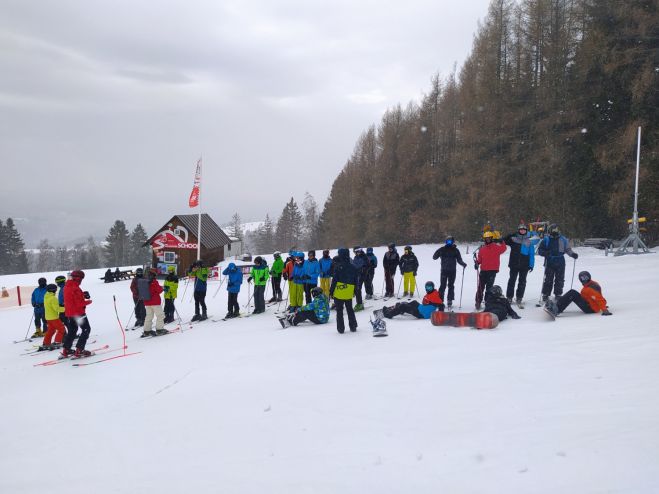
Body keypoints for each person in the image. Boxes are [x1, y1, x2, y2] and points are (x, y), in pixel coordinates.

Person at [537, 224, 578, 302]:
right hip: (550, 261)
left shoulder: (563, 239)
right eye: (553, 230)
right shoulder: (546, 240)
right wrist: (546, 253)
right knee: (548, 279)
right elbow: (540, 250)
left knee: (560, 279)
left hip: (560, 261)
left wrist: (572, 254)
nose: (554, 232)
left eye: (556, 230)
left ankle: (558, 294)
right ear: (550, 231)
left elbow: (568, 249)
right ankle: (545, 294)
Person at [544, 271, 612, 317]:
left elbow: (599, 298)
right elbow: (599, 295)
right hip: (589, 304)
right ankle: (557, 305)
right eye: (582, 278)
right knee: (572, 294)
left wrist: (604, 310)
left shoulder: (590, 289)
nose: (583, 279)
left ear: (589, 277)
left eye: (585, 277)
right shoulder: (592, 284)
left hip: (591, 309)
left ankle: (557, 309)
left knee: (572, 293)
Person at [504, 224, 540, 307]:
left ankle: (519, 297)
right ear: (518, 230)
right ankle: (509, 297)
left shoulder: (529, 241)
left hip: (524, 265)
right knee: (511, 281)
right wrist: (509, 235)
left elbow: (531, 254)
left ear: (526, 231)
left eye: (524, 230)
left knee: (522, 282)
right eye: (521, 230)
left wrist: (531, 265)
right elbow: (504, 241)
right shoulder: (514, 239)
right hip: (514, 264)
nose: (522, 231)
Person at [61, 270, 93, 358]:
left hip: (69, 313)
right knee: (86, 329)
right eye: (81, 279)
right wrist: (89, 301)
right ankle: (80, 349)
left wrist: (82, 294)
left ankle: (66, 350)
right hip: (78, 313)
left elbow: (72, 297)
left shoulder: (67, 286)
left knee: (72, 331)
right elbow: (79, 303)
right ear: (78, 278)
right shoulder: (75, 287)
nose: (81, 281)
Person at [374, 281, 444, 320]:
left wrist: (442, 314)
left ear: (433, 287)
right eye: (427, 287)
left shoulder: (435, 295)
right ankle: (400, 309)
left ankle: (389, 314)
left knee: (403, 306)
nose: (428, 289)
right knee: (414, 302)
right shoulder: (430, 293)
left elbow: (440, 304)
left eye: (430, 287)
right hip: (421, 308)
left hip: (422, 314)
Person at [432, 236, 467, 310]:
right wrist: (438, 252)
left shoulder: (455, 250)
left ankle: (450, 300)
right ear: (445, 242)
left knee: (451, 285)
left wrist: (463, 264)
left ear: (452, 242)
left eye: (450, 241)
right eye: (447, 241)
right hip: (444, 271)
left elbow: (459, 260)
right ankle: (440, 300)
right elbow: (434, 257)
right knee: (442, 286)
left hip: (452, 271)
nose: (448, 243)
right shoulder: (442, 249)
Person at [474, 231, 507, 310]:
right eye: (486, 238)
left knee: (489, 287)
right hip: (483, 270)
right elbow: (480, 259)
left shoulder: (496, 247)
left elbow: (504, 248)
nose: (488, 239)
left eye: (489, 238)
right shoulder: (482, 249)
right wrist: (477, 263)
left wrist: (501, 241)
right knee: (480, 287)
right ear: (484, 239)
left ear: (492, 238)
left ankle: (488, 301)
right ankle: (478, 301)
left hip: (492, 270)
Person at [329, 248, 358, 333]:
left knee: (339, 310)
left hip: (340, 289)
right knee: (349, 309)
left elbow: (334, 280)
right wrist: (355, 290)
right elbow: (356, 280)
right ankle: (353, 326)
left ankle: (341, 328)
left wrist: (331, 291)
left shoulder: (338, 267)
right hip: (349, 289)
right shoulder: (353, 266)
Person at [140, 268, 168, 337]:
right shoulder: (154, 281)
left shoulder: (145, 281)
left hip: (147, 302)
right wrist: (163, 288)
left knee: (149, 316)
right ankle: (159, 330)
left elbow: (152, 289)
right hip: (155, 302)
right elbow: (158, 290)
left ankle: (147, 331)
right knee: (160, 315)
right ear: (154, 274)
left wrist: (160, 287)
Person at [39, 284, 66, 350]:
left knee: (51, 330)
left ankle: (46, 343)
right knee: (61, 329)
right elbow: (56, 309)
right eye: (55, 289)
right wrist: (66, 308)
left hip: (48, 317)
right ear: (54, 290)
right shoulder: (53, 298)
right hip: (54, 318)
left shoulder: (46, 296)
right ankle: (57, 342)